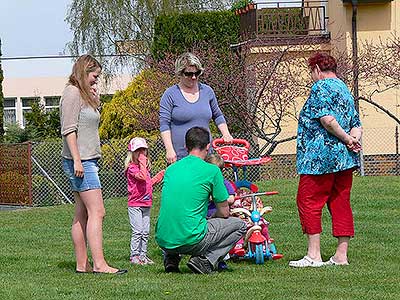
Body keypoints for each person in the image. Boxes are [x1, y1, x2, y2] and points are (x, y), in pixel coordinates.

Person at [289, 52, 363, 268]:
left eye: (312, 72)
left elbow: (327, 120)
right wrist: (352, 140)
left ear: (317, 70)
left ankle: (314, 255)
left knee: (308, 201)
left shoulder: (320, 87)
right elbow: (356, 122)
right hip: (344, 160)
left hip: (319, 159)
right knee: (340, 202)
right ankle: (341, 256)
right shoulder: (345, 89)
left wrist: (346, 138)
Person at [60, 54, 127, 275]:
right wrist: (78, 160)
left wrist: (96, 102)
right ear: (83, 71)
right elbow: (69, 130)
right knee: (98, 211)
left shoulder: (82, 94)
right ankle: (100, 264)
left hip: (86, 160)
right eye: (94, 76)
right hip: (82, 162)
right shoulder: (71, 93)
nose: (96, 81)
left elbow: (87, 124)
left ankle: (82, 265)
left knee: (82, 212)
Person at [155, 127, 247, 274]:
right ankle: (205, 260)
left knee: (179, 219)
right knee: (240, 225)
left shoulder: (171, 169)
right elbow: (224, 213)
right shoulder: (212, 171)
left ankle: (171, 258)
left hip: (164, 238)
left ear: (186, 146)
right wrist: (210, 219)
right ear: (208, 146)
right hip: (191, 239)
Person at [159, 52, 233, 164]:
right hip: (180, 156)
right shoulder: (170, 94)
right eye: (188, 74)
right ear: (180, 73)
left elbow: (217, 115)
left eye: (197, 73)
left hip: (206, 155)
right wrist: (169, 149)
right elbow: (164, 124)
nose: (193, 77)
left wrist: (226, 133)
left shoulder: (207, 91)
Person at [124, 137, 164, 265]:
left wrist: (159, 176)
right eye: (138, 151)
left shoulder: (144, 168)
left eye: (143, 150)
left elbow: (147, 183)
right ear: (132, 153)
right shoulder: (132, 168)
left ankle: (143, 255)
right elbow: (141, 177)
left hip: (146, 203)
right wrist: (142, 162)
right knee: (138, 231)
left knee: (145, 232)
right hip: (135, 205)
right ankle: (134, 256)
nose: (141, 154)